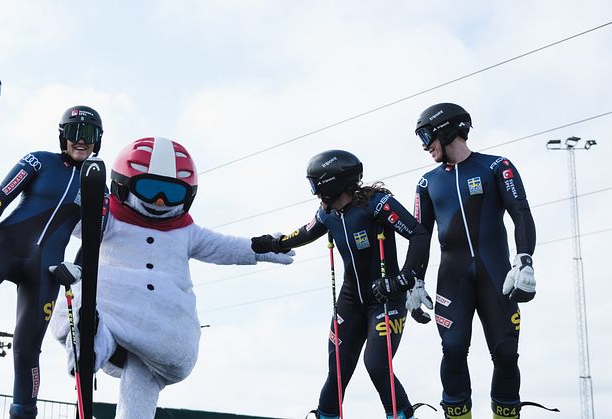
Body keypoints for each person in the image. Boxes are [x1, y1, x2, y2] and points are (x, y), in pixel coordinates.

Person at [48, 137, 295, 419]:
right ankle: (91, 342)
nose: (160, 201)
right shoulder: (108, 219)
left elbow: (225, 247)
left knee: (146, 370)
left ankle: (93, 340)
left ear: (188, 195)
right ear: (123, 185)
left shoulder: (186, 231)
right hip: (114, 311)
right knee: (91, 312)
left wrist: (266, 246)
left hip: (163, 329)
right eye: (150, 189)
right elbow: (60, 223)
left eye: (171, 194)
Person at [251, 150, 433, 419]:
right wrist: (276, 243)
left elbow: (418, 233)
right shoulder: (327, 215)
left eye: (315, 186)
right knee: (337, 370)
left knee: (376, 364)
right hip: (350, 301)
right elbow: (305, 232)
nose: (314, 193)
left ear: (330, 185)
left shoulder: (377, 204)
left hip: (385, 299)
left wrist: (404, 278)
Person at [0, 105, 105, 419]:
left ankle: (24, 412)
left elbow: (97, 236)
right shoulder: (39, 160)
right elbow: (2, 194)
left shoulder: (98, 186)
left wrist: (77, 266)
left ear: (98, 140)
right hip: (6, 245)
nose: (81, 140)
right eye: (74, 132)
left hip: (46, 269)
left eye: (89, 134)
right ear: (62, 136)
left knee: (26, 350)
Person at [412, 103, 539, 419]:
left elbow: (520, 213)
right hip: (453, 279)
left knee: (506, 353)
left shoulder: (496, 166)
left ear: (448, 129)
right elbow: (419, 236)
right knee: (453, 351)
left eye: (427, 135)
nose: (425, 145)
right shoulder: (427, 183)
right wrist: (413, 279)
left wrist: (524, 260)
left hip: (495, 273)